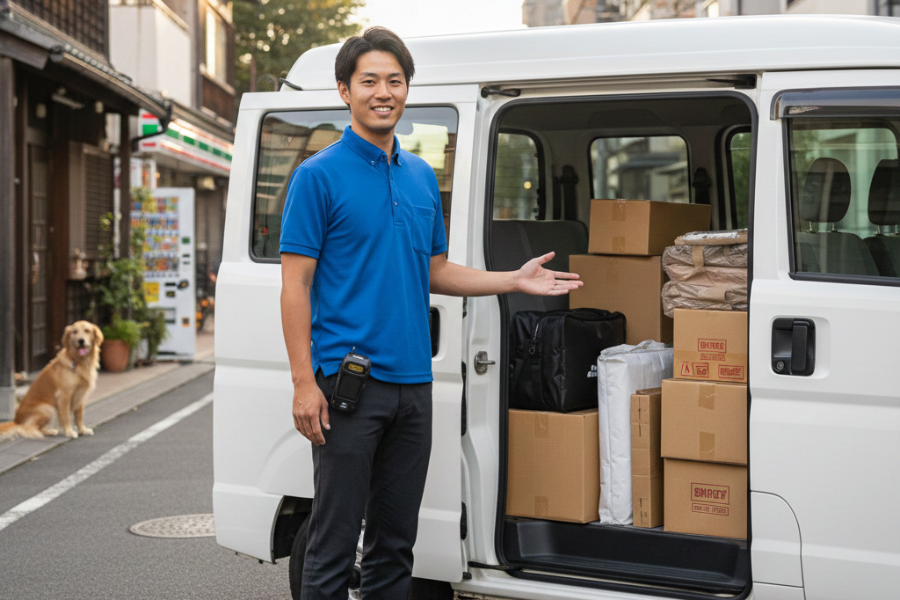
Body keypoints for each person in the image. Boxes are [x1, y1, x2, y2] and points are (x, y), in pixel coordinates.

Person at [279, 26, 583, 600]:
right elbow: (295, 284)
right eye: (369, 80)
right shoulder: (317, 176)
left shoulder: (420, 177)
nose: (383, 91)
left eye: (395, 80)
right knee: (334, 544)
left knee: (396, 547)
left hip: (413, 386)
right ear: (345, 90)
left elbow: (435, 270)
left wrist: (511, 279)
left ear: (407, 89)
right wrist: (303, 383)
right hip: (349, 386)